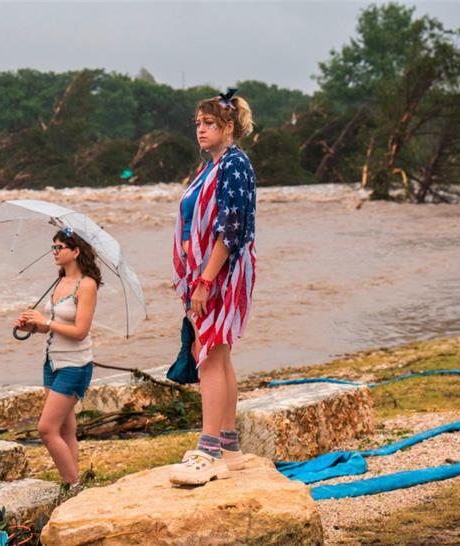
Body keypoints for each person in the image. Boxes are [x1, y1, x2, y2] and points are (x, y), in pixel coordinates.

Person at [169, 89, 257, 486]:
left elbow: (231, 227)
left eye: (209, 124)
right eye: (198, 125)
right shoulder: (213, 166)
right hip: (208, 270)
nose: (201, 131)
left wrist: (204, 280)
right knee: (218, 355)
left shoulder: (234, 165)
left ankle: (209, 450)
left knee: (208, 357)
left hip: (222, 272)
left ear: (228, 127)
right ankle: (229, 445)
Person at [14, 227, 101, 490]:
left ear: (75, 252)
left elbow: (79, 332)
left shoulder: (86, 285)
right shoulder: (58, 282)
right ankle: (75, 482)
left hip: (75, 366)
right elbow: (49, 327)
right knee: (65, 429)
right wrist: (31, 326)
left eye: (59, 247)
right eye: (52, 247)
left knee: (46, 429)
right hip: (52, 363)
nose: (54, 252)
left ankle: (72, 485)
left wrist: (46, 321)